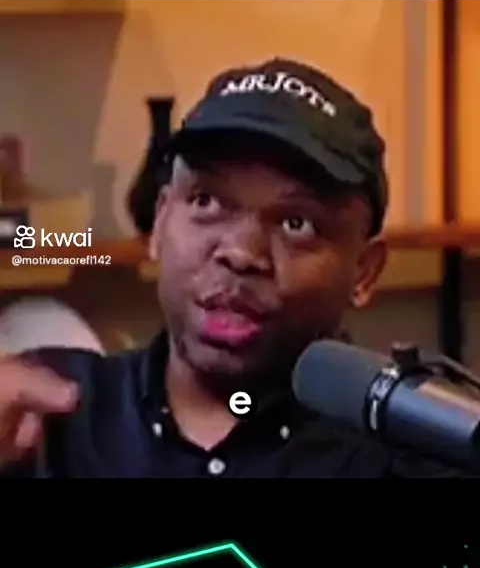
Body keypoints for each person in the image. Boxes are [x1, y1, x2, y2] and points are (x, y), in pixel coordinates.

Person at [0, 58, 456, 477]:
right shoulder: (40, 418)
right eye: (207, 201)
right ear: (159, 223)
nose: (240, 253)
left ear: (364, 272)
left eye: (297, 224)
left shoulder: (411, 459)